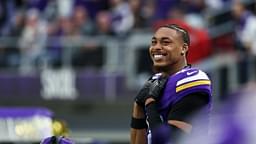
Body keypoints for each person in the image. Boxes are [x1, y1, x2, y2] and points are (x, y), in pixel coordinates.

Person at [130, 24, 212, 144]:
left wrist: (150, 103)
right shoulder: (154, 81)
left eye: (165, 42)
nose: (156, 47)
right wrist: (138, 107)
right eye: (154, 42)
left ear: (183, 48)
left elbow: (170, 140)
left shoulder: (192, 79)